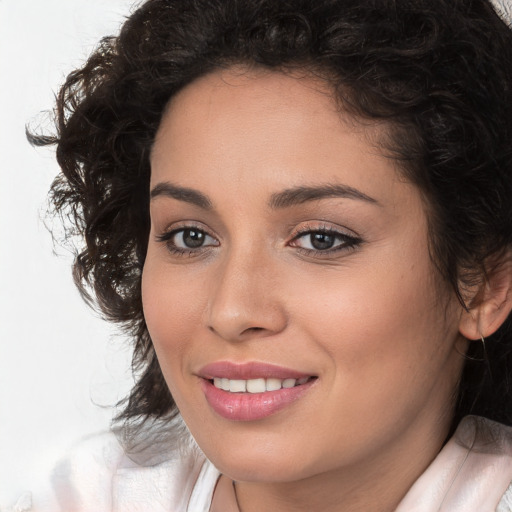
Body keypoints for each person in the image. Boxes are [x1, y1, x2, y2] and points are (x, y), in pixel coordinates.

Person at [16, 0, 512, 510]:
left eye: (321, 238)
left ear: (485, 283)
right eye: (190, 236)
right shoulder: (89, 496)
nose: (231, 311)